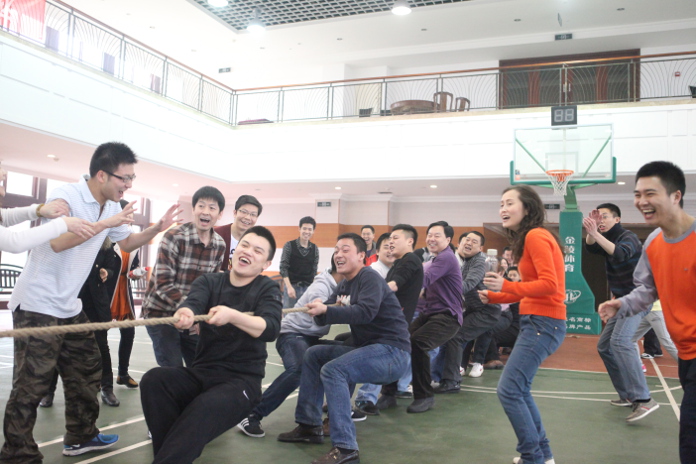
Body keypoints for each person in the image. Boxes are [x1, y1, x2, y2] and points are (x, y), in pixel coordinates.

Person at [1, 142, 180, 461]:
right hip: (36, 304)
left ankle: (81, 436)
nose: (128, 185)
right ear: (101, 175)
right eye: (124, 178)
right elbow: (57, 242)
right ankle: (17, 453)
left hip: (69, 306)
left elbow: (127, 243)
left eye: (132, 178)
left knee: (87, 368)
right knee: (32, 383)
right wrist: (106, 225)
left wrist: (157, 228)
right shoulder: (66, 196)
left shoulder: (113, 206)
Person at [140, 226, 283, 464]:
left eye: (258, 251)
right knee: (155, 380)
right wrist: (186, 312)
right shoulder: (210, 281)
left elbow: (270, 328)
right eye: (245, 245)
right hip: (203, 373)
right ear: (235, 250)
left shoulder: (266, 288)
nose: (248, 251)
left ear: (265, 264)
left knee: (205, 405)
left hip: (242, 382)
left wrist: (232, 316)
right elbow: (194, 302)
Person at [277, 233, 410, 464]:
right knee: (313, 354)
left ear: (361, 255)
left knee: (334, 370)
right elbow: (326, 313)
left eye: (345, 250)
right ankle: (309, 426)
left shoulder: (369, 277)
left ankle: (346, 448)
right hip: (370, 349)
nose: (338, 254)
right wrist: (318, 308)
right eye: (336, 250)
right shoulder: (344, 285)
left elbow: (365, 312)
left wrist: (327, 310)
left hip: (392, 353)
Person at [598, 161, 696, 464]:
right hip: (688, 355)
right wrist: (622, 304)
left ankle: (640, 397)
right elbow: (647, 289)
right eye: (638, 194)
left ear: (676, 196)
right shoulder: (654, 241)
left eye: (650, 193)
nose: (642, 201)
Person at [481, 185, 566, 464]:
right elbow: (530, 290)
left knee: (509, 390)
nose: (503, 209)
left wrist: (505, 285)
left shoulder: (535, 236)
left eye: (509, 203)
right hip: (539, 322)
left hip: (544, 323)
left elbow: (550, 285)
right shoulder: (532, 237)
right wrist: (494, 296)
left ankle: (533, 458)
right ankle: (543, 455)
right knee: (519, 389)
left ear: (527, 208)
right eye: (501, 204)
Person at [237, 257, 345, 438]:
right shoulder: (322, 287)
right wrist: (340, 309)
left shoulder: (343, 286)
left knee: (348, 353)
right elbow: (321, 316)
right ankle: (252, 415)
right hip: (292, 335)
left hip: (311, 338)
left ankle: (327, 417)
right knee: (299, 369)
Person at [583, 202, 659, 419]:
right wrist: (592, 232)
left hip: (638, 299)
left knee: (620, 342)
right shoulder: (605, 238)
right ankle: (628, 395)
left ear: (617, 219)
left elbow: (620, 254)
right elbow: (591, 247)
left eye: (605, 216)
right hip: (622, 301)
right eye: (598, 217)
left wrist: (595, 233)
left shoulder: (628, 237)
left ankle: (644, 399)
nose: (601, 220)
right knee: (605, 346)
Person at [142, 186, 226, 368]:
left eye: (212, 208)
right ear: (193, 209)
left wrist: (199, 316)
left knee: (201, 367)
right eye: (201, 206)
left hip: (191, 316)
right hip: (161, 313)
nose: (206, 212)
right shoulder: (174, 236)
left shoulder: (219, 244)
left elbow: (210, 287)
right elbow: (163, 283)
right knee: (173, 369)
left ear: (220, 214)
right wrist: (190, 310)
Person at [403, 221, 462, 413]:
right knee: (400, 340)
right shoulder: (435, 259)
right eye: (429, 235)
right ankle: (390, 392)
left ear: (448, 240)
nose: (431, 239)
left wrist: (397, 284)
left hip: (447, 316)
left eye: (437, 235)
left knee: (418, 344)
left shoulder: (446, 257)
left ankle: (424, 396)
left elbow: (424, 279)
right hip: (430, 313)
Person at [435, 231, 501, 391]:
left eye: (474, 241)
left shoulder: (480, 261)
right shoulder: (466, 260)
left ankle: (451, 382)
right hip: (473, 309)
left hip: (487, 311)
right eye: (467, 239)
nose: (469, 243)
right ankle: (438, 376)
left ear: (481, 248)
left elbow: (468, 284)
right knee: (449, 334)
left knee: (456, 337)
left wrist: (440, 290)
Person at [376, 224, 425, 408]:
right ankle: (388, 394)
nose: (391, 242)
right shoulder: (399, 262)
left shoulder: (410, 260)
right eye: (390, 238)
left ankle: (371, 398)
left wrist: (367, 295)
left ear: (409, 241)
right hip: (392, 317)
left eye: (395, 238)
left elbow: (394, 285)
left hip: (397, 318)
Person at [354, 232, 396, 414]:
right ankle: (365, 398)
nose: (390, 250)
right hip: (372, 326)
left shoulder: (398, 271)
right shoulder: (373, 271)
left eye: (393, 247)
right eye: (386, 247)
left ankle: (399, 388)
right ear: (377, 251)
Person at [213, 194, 263, 270]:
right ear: (235, 213)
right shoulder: (216, 234)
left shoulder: (257, 241)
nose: (247, 217)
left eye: (253, 214)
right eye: (244, 212)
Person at [280, 216, 319, 308]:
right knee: (289, 314)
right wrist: (289, 287)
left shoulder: (315, 248)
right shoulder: (289, 245)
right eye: (304, 228)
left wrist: (313, 289)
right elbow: (283, 268)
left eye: (310, 229)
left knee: (305, 314)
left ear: (313, 231)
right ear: (299, 229)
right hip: (292, 287)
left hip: (308, 289)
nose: (307, 232)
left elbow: (314, 270)